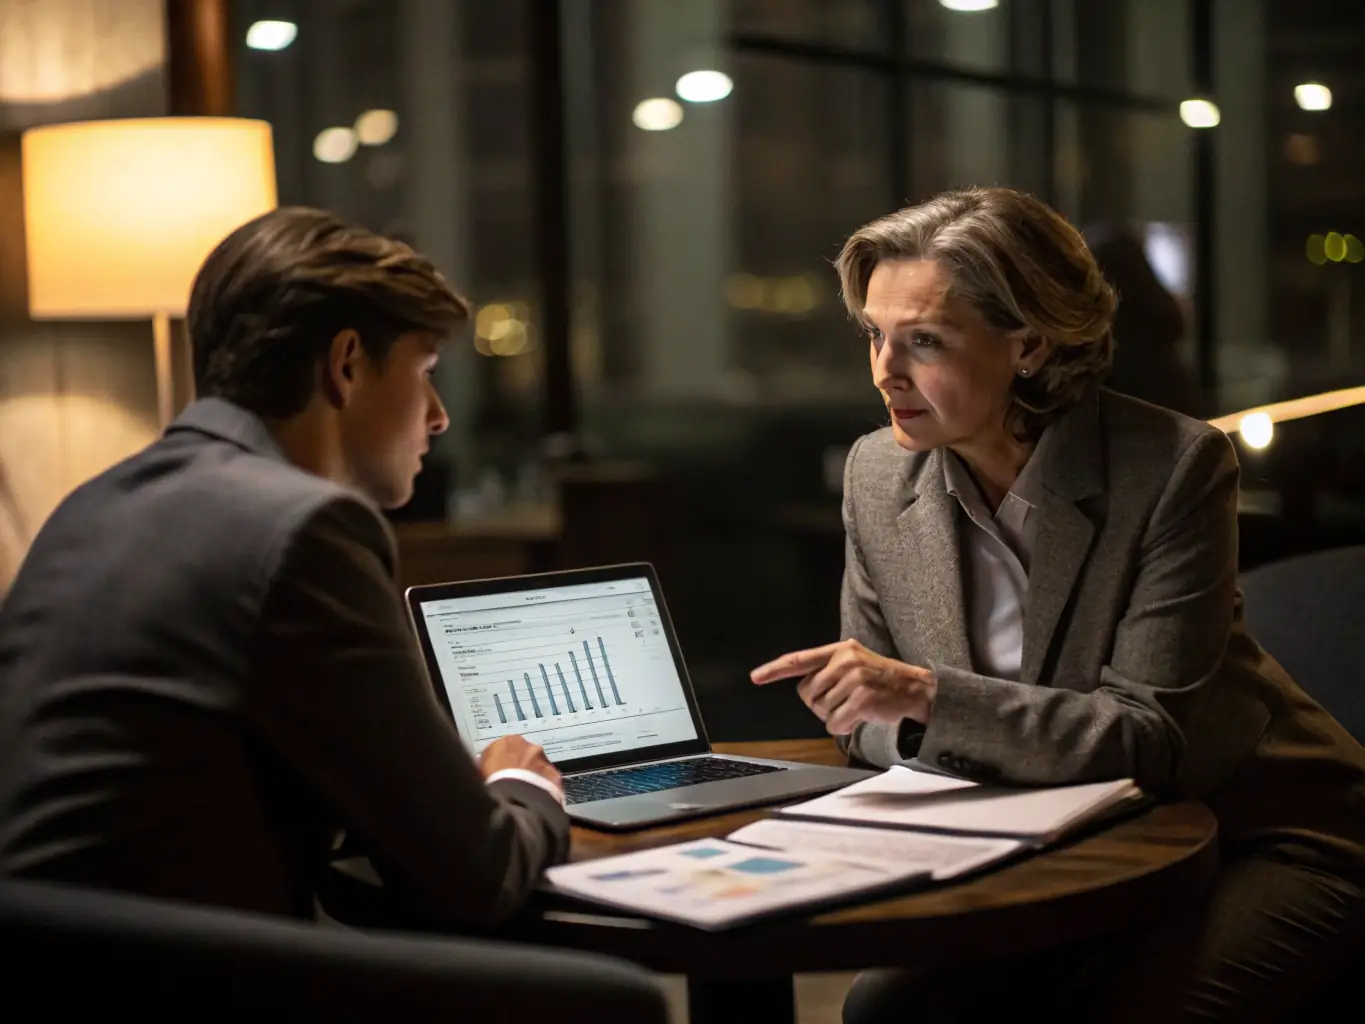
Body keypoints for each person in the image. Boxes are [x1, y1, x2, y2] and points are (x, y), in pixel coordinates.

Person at [750, 188, 1365, 1022]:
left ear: (1029, 343)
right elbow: (866, 718)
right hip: (1056, 842)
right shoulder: (876, 472)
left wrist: (927, 699)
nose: (883, 372)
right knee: (887, 1011)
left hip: (1255, 831)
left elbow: (1143, 738)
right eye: (874, 334)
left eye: (923, 341)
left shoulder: (1173, 468)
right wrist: (885, 710)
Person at [0, 207, 568, 929]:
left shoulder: (93, 503)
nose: (438, 415)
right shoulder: (299, 529)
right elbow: (479, 874)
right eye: (425, 372)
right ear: (346, 364)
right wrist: (522, 785)